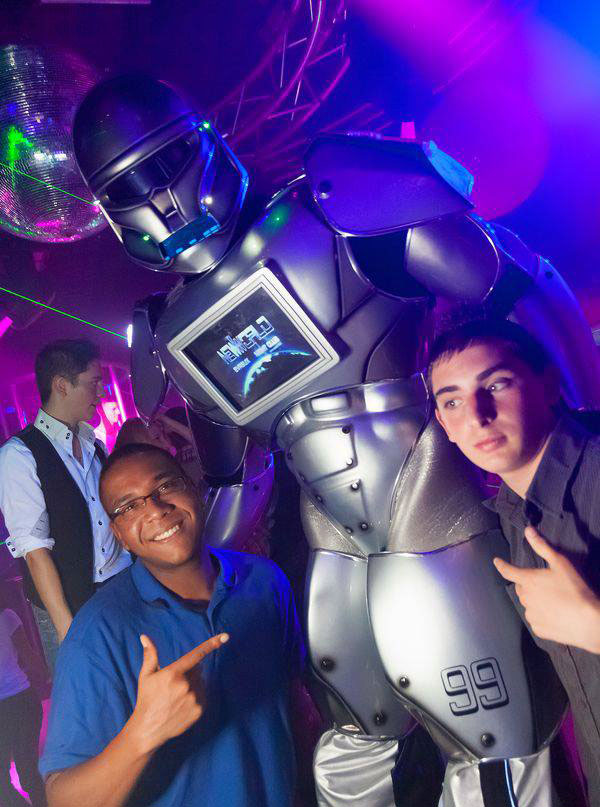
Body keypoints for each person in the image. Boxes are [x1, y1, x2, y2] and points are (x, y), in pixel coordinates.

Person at [40, 442, 304, 807]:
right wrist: (143, 733)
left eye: (165, 486)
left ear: (194, 489)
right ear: (118, 534)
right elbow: (63, 799)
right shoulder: (97, 634)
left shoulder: (264, 580)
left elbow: (292, 698)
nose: (155, 509)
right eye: (129, 506)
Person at [428, 318, 600, 803]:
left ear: (549, 382)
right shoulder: (509, 516)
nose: (477, 416)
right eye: (453, 402)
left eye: (496, 385)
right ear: (443, 424)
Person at [0, 339, 131, 671]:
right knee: (92, 696)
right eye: (93, 382)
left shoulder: (93, 445)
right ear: (61, 385)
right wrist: (68, 632)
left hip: (122, 589)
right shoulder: (20, 454)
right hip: (72, 605)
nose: (101, 392)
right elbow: (34, 552)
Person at [0, 593, 47, 807]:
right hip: (21, 701)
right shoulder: (7, 616)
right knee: (27, 773)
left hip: (19, 701)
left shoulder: (7, 616)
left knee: (25, 773)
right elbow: (29, 655)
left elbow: (29, 656)